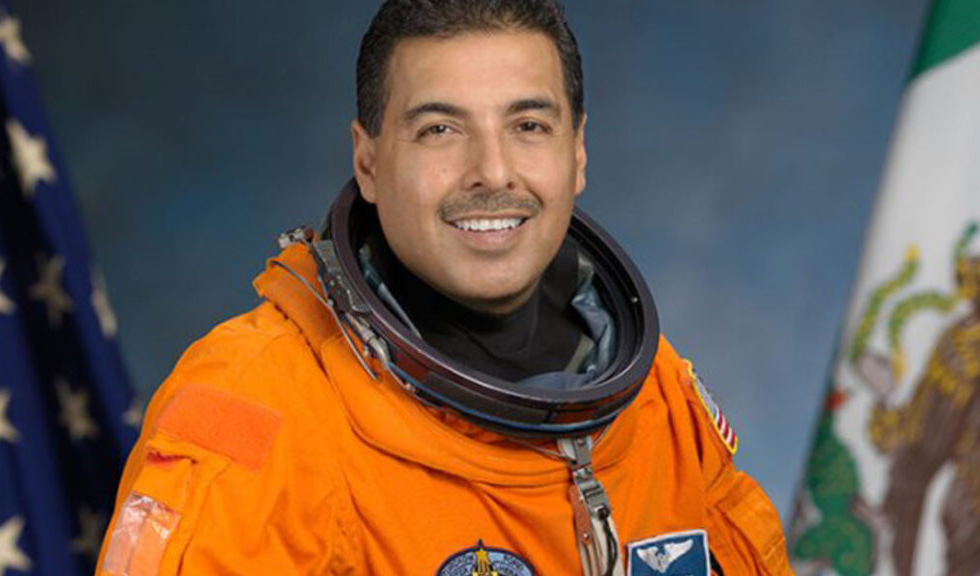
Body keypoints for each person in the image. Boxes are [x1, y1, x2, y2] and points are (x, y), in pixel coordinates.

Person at [97, 1, 792, 575]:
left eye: (528, 126)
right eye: (439, 129)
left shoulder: (657, 397)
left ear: (577, 152)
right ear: (368, 162)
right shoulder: (255, 414)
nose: (492, 170)